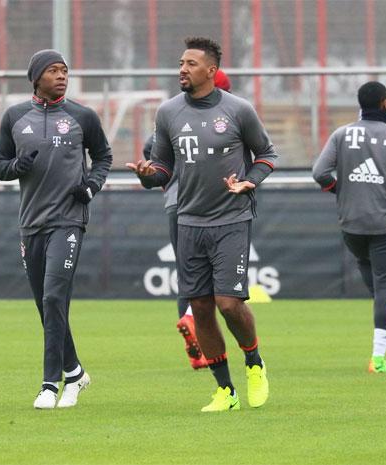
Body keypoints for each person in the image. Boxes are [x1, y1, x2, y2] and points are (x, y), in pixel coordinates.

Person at [127, 37, 278, 412]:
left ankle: (255, 362)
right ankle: (225, 391)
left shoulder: (239, 110)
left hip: (231, 219)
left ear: (210, 70)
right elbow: (163, 169)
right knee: (202, 308)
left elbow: (268, 154)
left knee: (228, 304)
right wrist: (148, 175)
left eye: (191, 63)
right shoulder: (167, 113)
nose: (182, 69)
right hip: (188, 221)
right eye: (181, 62)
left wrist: (250, 182)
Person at [0, 49, 113, 408]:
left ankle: (51, 384)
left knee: (53, 297)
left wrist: (90, 187)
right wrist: (18, 165)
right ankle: (75, 372)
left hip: (69, 220)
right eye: (53, 71)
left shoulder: (82, 116)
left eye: (65, 70)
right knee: (47, 307)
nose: (62, 76)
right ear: (36, 78)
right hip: (31, 223)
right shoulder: (14, 117)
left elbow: (103, 156)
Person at [312, 81, 386, 373]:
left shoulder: (341, 134)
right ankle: (378, 359)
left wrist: (338, 190)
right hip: (384, 223)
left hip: (351, 223)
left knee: (373, 277)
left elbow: (319, 172)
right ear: (384, 104)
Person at [142, 69, 233, 371]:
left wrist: (167, 169)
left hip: (174, 203)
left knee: (189, 275)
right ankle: (193, 321)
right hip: (211, 206)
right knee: (215, 278)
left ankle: (197, 353)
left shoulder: (174, 115)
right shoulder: (222, 119)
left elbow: (149, 147)